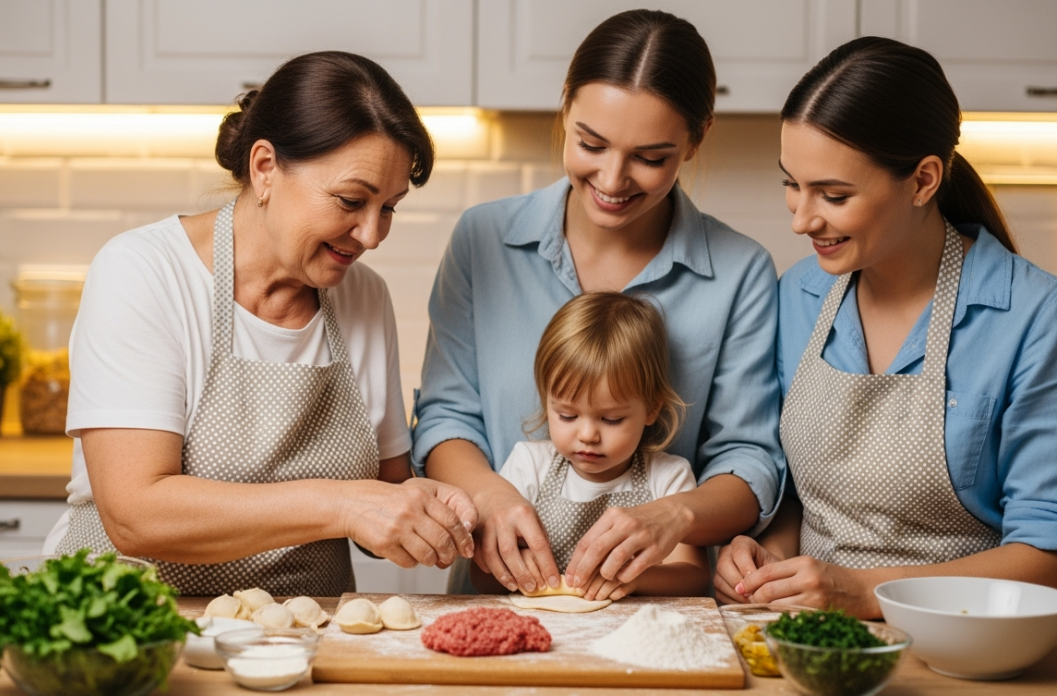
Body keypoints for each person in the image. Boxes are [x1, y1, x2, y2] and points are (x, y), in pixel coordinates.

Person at [44, 51, 478, 597]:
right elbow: (136, 515)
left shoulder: (365, 298)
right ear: (265, 167)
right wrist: (343, 505)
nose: (371, 236)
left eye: (389, 208)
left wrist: (425, 507)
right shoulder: (144, 272)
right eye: (351, 200)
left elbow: (384, 491)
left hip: (304, 630)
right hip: (136, 622)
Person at [715, 37, 1057, 618]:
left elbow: (1053, 559)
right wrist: (766, 559)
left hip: (965, 645)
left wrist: (864, 591)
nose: (801, 220)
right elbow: (799, 494)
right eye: (792, 184)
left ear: (923, 181)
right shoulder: (799, 296)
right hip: (810, 638)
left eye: (833, 195)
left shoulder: (1040, 319)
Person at [414, 9, 785, 596]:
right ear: (565, 108)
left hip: (660, 613)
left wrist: (675, 515)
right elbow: (444, 420)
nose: (612, 180)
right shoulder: (483, 240)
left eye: (650, 157)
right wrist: (490, 496)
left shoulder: (740, 272)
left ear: (697, 138)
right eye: (590, 143)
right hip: (498, 598)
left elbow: (750, 459)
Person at [470, 292, 707, 600]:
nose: (587, 435)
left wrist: (637, 580)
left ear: (651, 409)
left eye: (611, 419)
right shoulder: (529, 465)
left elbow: (694, 578)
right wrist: (513, 569)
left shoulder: (668, 477)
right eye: (567, 415)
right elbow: (480, 577)